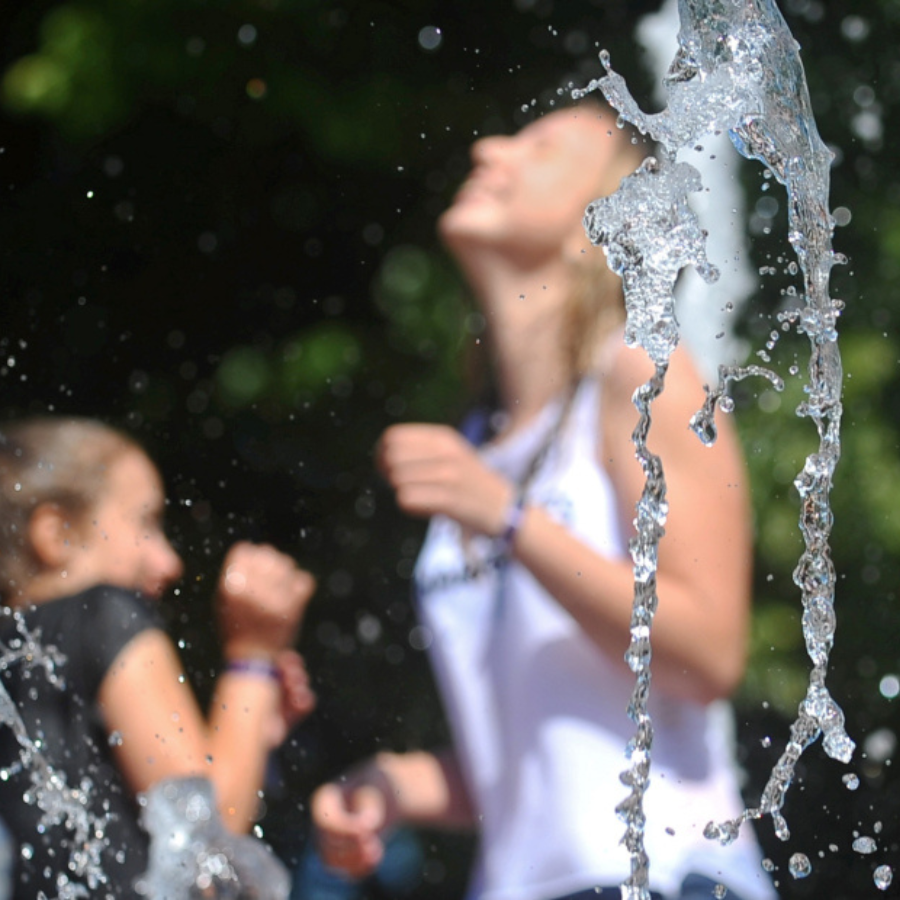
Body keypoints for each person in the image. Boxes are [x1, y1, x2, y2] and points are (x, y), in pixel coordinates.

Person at [311, 102, 777, 900]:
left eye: (542, 147)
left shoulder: (643, 380)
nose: (486, 145)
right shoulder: (487, 444)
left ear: (597, 223)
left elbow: (708, 655)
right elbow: (544, 754)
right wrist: (396, 786)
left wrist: (509, 519)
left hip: (658, 877)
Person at [0, 416, 317, 898]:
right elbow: (206, 837)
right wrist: (252, 657)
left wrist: (251, 734)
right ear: (57, 532)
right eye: (145, 523)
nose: (169, 561)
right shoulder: (103, 614)